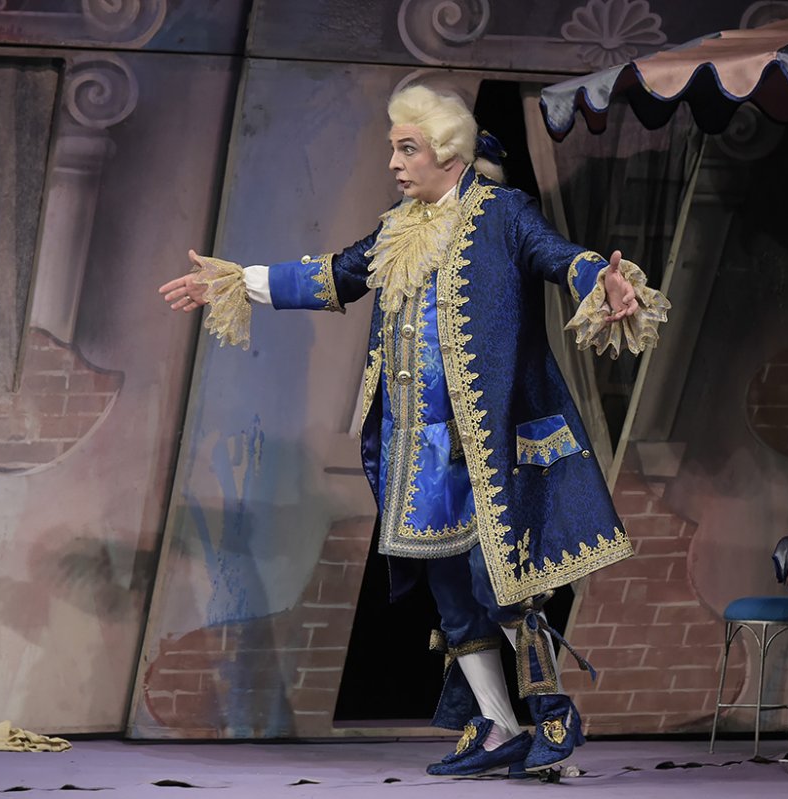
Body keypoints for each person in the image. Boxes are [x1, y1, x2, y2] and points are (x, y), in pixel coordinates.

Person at [158, 85, 669, 777]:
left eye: (408, 149)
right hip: (416, 446)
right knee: (451, 591)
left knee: (503, 584)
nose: (395, 164)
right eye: (393, 150)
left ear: (449, 154)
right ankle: (498, 725)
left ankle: (553, 713)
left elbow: (560, 256)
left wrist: (602, 282)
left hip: (488, 442)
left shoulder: (501, 212)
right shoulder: (399, 225)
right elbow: (335, 275)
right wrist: (235, 281)